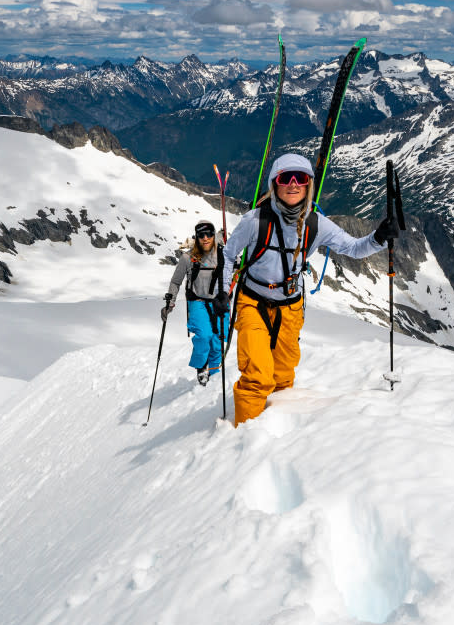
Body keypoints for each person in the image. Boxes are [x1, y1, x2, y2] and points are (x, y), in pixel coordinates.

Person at [222, 153, 399, 425]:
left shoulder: (316, 224)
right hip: (252, 302)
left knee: (282, 375)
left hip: (290, 307)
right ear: (274, 184)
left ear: (308, 185)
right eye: (285, 178)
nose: (293, 184)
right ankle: (244, 437)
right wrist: (223, 293)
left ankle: (275, 432)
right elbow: (228, 255)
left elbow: (353, 248)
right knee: (258, 373)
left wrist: (378, 238)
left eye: (301, 179)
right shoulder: (255, 220)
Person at [161, 220, 230, 386]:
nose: (205, 238)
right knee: (204, 336)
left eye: (209, 234)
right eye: (201, 235)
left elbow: (232, 276)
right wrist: (170, 302)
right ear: (196, 236)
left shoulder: (224, 254)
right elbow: (176, 281)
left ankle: (213, 376)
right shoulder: (188, 257)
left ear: (214, 235)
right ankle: (201, 366)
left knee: (217, 342)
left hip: (219, 302)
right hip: (197, 301)